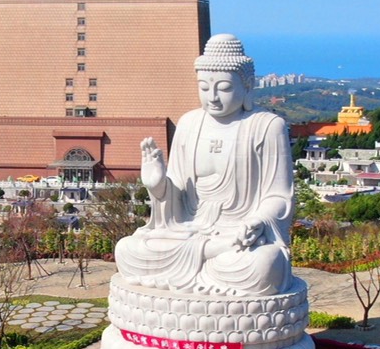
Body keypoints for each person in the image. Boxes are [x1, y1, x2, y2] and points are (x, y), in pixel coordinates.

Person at [113, 34, 294, 296]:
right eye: (204, 87)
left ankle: (216, 253)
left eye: (223, 87)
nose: (213, 97)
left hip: (239, 233)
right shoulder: (189, 123)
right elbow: (178, 196)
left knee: (264, 264)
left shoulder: (266, 126)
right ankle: (211, 254)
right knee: (127, 250)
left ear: (247, 86)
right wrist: (159, 186)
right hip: (188, 229)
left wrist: (257, 221)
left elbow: (279, 196)